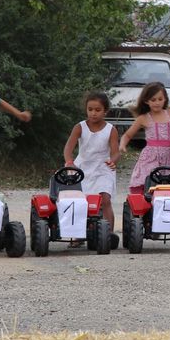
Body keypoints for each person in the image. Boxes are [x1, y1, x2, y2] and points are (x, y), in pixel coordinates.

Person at [63, 91, 120, 249]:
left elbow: (115, 152)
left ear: (105, 111)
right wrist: (69, 161)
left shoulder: (111, 130)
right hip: (82, 167)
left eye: (97, 110)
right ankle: (78, 234)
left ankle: (108, 235)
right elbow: (68, 148)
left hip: (103, 167)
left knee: (105, 199)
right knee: (79, 201)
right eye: (90, 109)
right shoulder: (80, 127)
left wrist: (113, 161)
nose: (93, 113)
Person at [118, 82, 170, 194]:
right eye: (153, 100)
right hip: (150, 157)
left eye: (160, 99)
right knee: (148, 181)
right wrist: (122, 145)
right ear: (146, 101)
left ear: (165, 99)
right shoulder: (143, 118)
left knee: (165, 185)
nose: (157, 103)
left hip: (167, 157)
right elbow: (127, 135)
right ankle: (144, 205)